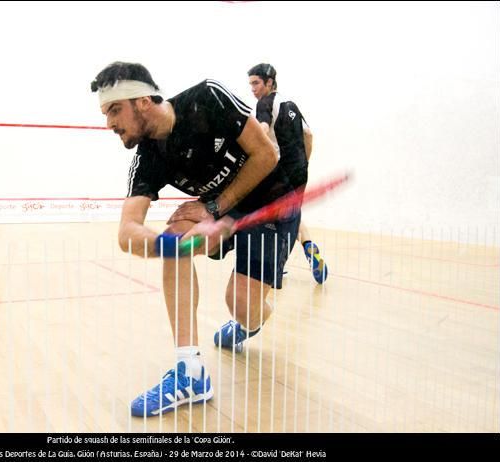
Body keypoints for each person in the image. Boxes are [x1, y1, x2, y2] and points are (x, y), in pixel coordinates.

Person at [90, 62, 301, 417]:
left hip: (269, 204)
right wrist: (173, 246)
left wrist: (215, 208)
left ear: (142, 101)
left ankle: (253, 320)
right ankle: (190, 372)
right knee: (175, 234)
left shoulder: (207, 98)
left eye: (114, 110)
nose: (109, 123)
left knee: (243, 308)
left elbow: (267, 154)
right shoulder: (148, 157)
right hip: (220, 211)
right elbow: (128, 232)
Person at [248, 63, 329, 284]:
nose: (252, 89)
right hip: (300, 172)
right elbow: (309, 135)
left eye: (256, 83)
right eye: (251, 84)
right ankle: (309, 245)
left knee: (275, 219)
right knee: (293, 214)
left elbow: (262, 130)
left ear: (269, 82)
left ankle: (277, 267)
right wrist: (304, 164)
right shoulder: (290, 104)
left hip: (279, 174)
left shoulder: (265, 103)